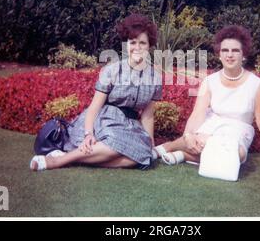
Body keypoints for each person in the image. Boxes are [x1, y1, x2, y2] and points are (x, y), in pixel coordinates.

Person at [30, 14, 162, 171]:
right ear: (126, 44)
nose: (137, 47)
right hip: (105, 119)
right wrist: (88, 133)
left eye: (142, 43)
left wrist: (150, 140)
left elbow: (148, 115)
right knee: (117, 143)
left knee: (142, 156)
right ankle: (58, 161)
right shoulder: (112, 70)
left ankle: (78, 160)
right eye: (133, 42)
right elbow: (94, 106)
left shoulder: (155, 78)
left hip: (130, 125)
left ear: (149, 46)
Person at [153, 25, 260, 172]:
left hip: (238, 132)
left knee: (237, 156)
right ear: (219, 54)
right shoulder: (210, 81)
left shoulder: (257, 85)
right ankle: (168, 147)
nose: (229, 55)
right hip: (211, 126)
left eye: (235, 50)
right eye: (225, 50)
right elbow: (198, 113)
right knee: (195, 140)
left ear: (244, 55)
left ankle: (183, 155)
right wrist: (188, 135)